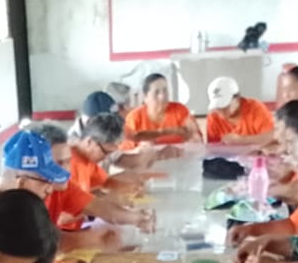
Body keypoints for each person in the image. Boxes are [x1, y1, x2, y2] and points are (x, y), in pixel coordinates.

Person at [25, 122, 154, 251]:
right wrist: (89, 239)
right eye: (58, 163)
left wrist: (137, 218)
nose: (66, 170)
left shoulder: (63, 185)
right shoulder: (22, 199)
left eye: (68, 161)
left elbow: (97, 206)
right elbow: (40, 242)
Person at [69, 113, 145, 196]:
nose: (106, 157)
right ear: (89, 141)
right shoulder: (68, 163)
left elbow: (103, 182)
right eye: (106, 152)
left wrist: (129, 187)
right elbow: (75, 201)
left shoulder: (87, 158)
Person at [124, 72, 202, 145]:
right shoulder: (134, 118)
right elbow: (125, 149)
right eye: (156, 92)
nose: (162, 96)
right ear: (145, 97)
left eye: (165, 90)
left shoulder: (180, 110)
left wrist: (194, 137)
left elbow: (198, 140)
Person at [204, 75, 275, 146]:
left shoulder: (254, 108)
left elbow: (274, 137)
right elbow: (212, 148)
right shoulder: (213, 117)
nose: (221, 111)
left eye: (225, 106)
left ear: (237, 98)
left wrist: (242, 140)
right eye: (217, 107)